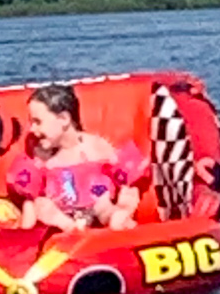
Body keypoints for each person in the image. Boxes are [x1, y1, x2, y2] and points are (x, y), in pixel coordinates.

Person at [8, 82, 147, 232]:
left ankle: (118, 218)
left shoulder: (96, 146)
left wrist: (125, 205)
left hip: (97, 209)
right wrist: (25, 229)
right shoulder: (40, 157)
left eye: (37, 122)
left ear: (64, 119)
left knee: (106, 204)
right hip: (61, 216)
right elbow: (30, 199)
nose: (32, 129)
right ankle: (71, 227)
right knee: (41, 204)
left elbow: (126, 176)